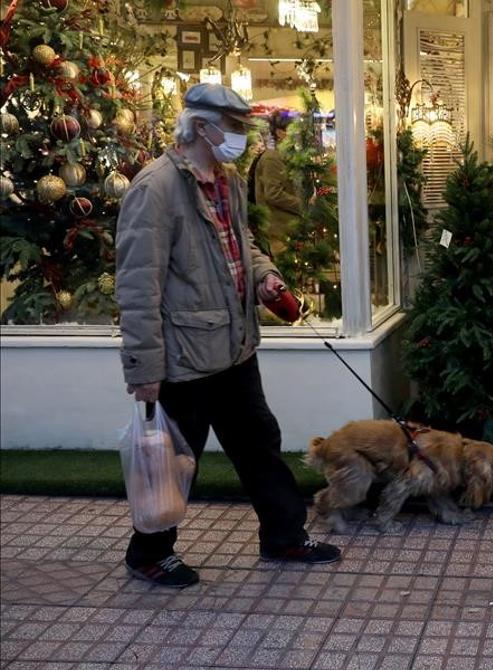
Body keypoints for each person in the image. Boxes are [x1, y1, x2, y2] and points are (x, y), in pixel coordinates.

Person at [115, 84, 341, 589]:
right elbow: (137, 286)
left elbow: (243, 244)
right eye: (234, 125)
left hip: (236, 348)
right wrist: (145, 370)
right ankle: (148, 553)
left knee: (260, 442)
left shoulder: (228, 179)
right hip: (185, 357)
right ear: (200, 126)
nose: (240, 135)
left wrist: (264, 276)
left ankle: (283, 535)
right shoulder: (153, 190)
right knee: (174, 461)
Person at [249, 111, 302, 258]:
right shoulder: (272, 158)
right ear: (280, 132)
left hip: (287, 231)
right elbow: (273, 194)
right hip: (278, 233)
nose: (298, 135)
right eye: (294, 130)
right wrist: (303, 205)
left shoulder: (284, 157)